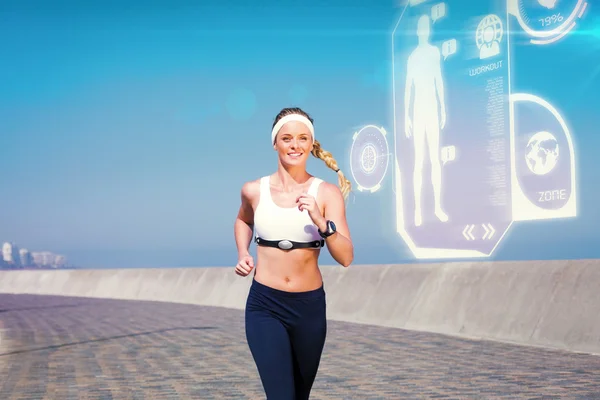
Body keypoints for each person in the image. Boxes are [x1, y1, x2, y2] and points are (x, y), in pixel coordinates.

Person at [233, 107, 354, 399]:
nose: (294, 145)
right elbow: (243, 220)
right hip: (265, 305)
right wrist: (242, 252)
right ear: (275, 143)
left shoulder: (326, 193)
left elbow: (346, 256)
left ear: (311, 144)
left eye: (302, 138)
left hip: (309, 308)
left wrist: (323, 224)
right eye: (287, 138)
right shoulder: (253, 190)